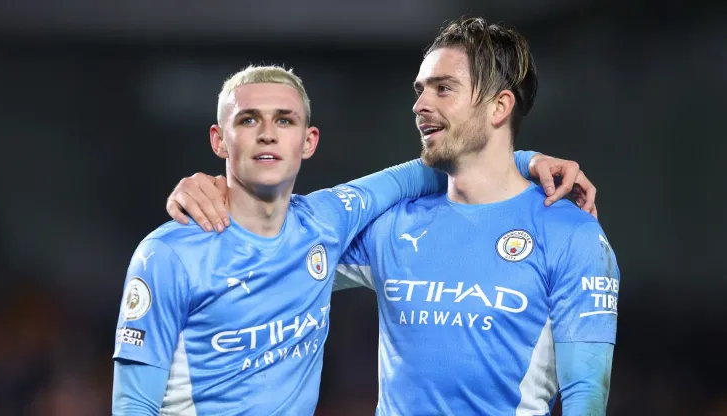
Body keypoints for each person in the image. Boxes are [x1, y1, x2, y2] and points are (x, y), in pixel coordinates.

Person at [167, 17, 618, 416]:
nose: (421, 105)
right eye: (420, 90)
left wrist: (520, 160)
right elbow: (276, 238)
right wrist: (217, 191)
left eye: (443, 89)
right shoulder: (393, 225)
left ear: (499, 107)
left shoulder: (570, 233)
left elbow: (585, 395)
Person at [111, 64, 550, 415]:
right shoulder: (167, 254)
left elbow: (419, 173)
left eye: (284, 120)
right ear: (219, 140)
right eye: (248, 120)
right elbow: (134, 403)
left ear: (308, 141)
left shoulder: (326, 221)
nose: (267, 133)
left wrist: (524, 162)